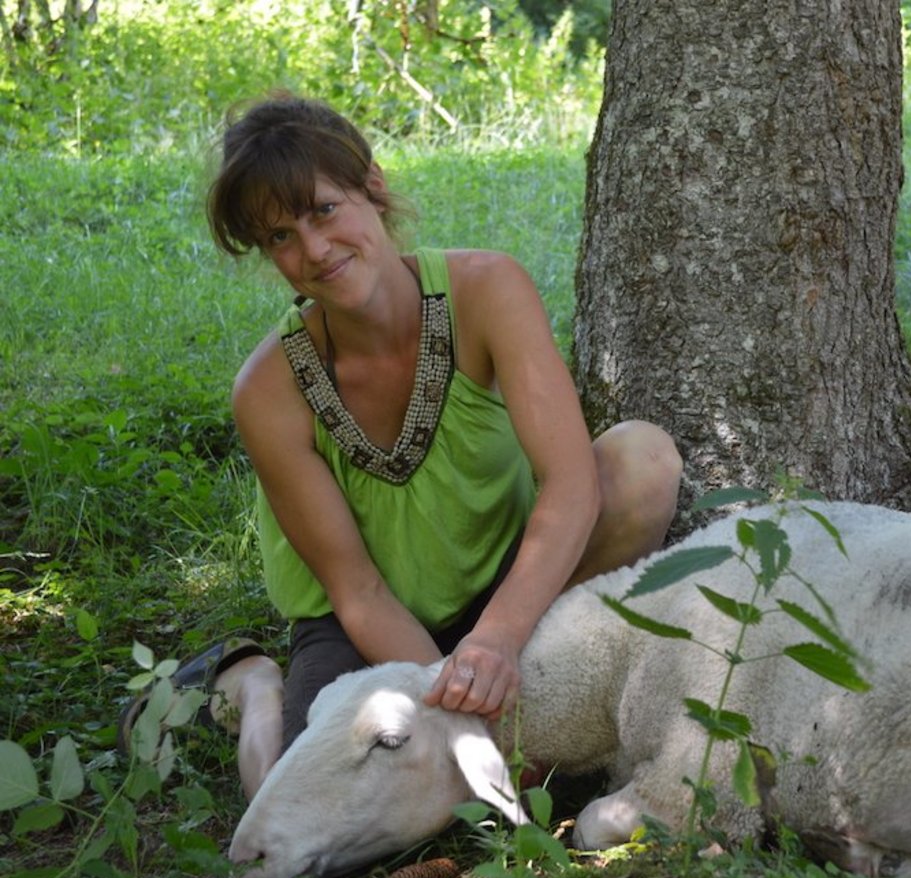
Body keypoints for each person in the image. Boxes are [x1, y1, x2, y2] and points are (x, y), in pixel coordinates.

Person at [129, 91, 682, 801]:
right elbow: (354, 589)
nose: (313, 250)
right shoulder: (267, 391)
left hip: (511, 589)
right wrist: (459, 718)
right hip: (365, 623)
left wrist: (495, 642)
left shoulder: (487, 291)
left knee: (642, 460)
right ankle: (252, 685)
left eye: (323, 210)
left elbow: (573, 484)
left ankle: (511, 691)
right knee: (304, 801)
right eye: (279, 238)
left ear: (374, 187)